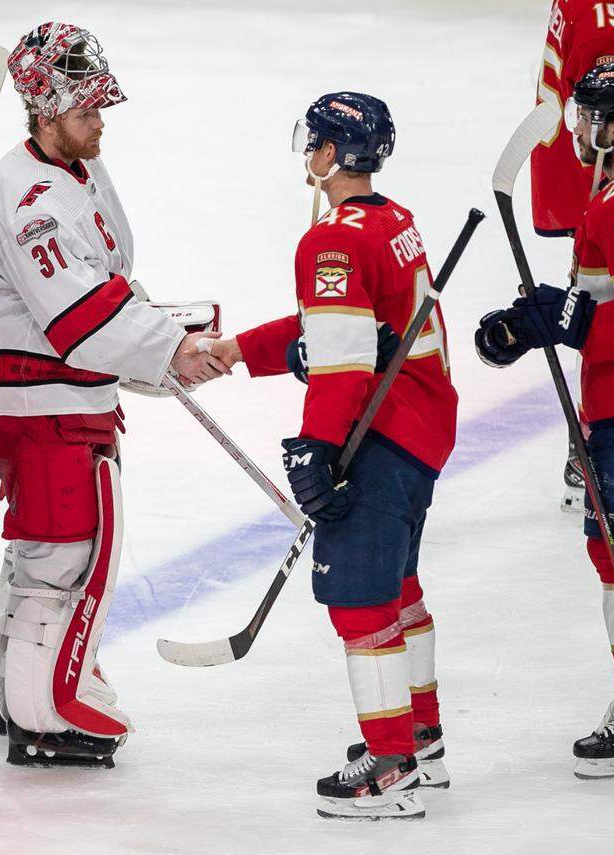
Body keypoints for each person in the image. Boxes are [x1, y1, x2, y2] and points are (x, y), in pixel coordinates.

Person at [0, 21, 229, 770]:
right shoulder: (28, 197)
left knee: (40, 555)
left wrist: (161, 333)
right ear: (45, 112)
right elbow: (76, 314)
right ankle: (44, 717)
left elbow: (103, 284)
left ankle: (20, 700)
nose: (100, 121)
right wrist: (169, 348)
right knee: (61, 554)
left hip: (57, 393)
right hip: (33, 400)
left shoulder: (69, 170)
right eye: (87, 111)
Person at [201, 93, 456, 819]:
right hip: (423, 429)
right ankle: (422, 737)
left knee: (359, 600)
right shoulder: (391, 220)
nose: (305, 154)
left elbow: (342, 361)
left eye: (312, 142)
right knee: (399, 586)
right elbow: (337, 323)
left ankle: (390, 766)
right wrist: (240, 351)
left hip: (382, 435)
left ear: (330, 155)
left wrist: (317, 449)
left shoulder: (331, 240)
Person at [478, 61, 614, 780]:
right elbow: (594, 309)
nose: (577, 132)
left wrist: (564, 320)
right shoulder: (605, 197)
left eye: (589, 118)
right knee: (612, 559)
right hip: (611, 409)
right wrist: (527, 326)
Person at [531, 0, 614, 509]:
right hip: (597, 175)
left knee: (595, 296)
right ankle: (597, 437)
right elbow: (607, 105)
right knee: (603, 300)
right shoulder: (609, 30)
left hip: (586, 174)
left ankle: (593, 435)